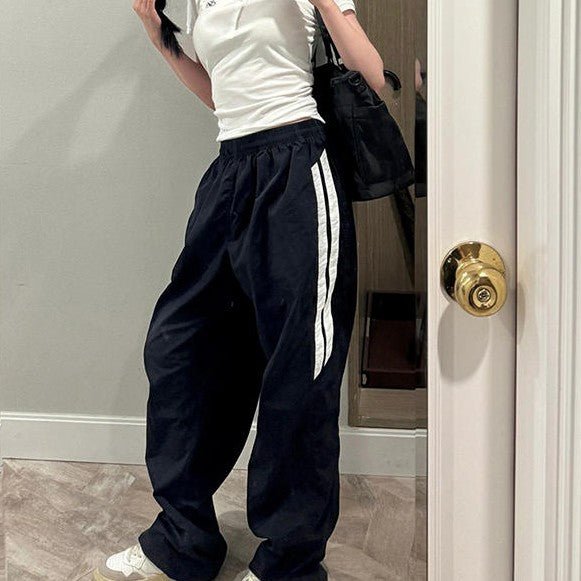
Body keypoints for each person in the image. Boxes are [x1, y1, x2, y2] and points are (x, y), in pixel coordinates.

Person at [93, 1, 385, 580]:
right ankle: (183, 543)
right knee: (180, 351)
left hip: (298, 165)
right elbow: (222, 96)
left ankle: (289, 564)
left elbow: (372, 75)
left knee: (299, 370)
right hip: (230, 170)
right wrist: (157, 34)